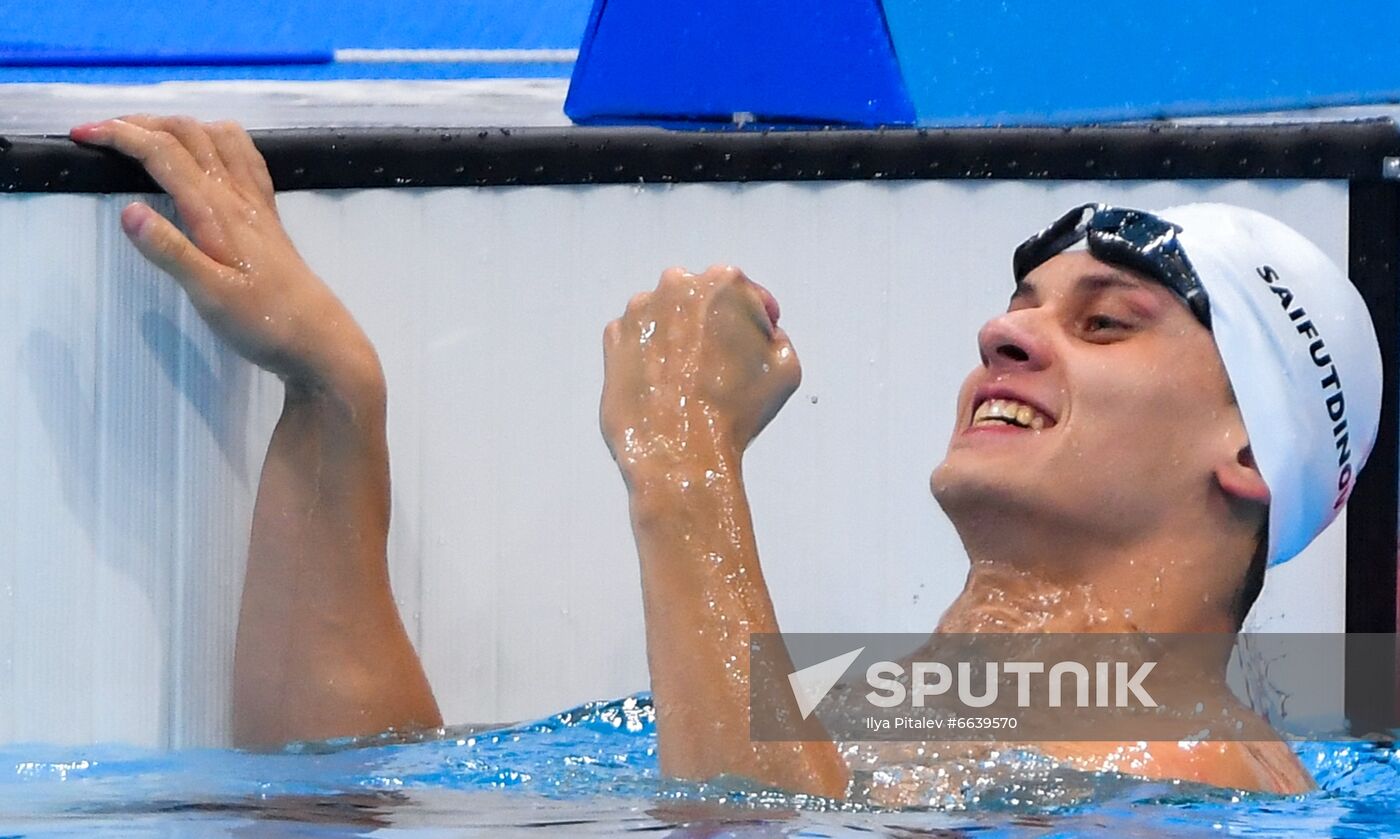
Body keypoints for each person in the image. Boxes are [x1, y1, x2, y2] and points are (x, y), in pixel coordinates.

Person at [68, 116, 1381, 799]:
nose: (1007, 331)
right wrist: (330, 400)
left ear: (1248, 455)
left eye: (1103, 324)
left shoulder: (1196, 769)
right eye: (1022, 304)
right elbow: (338, 791)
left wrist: (684, 465)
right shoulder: (886, 733)